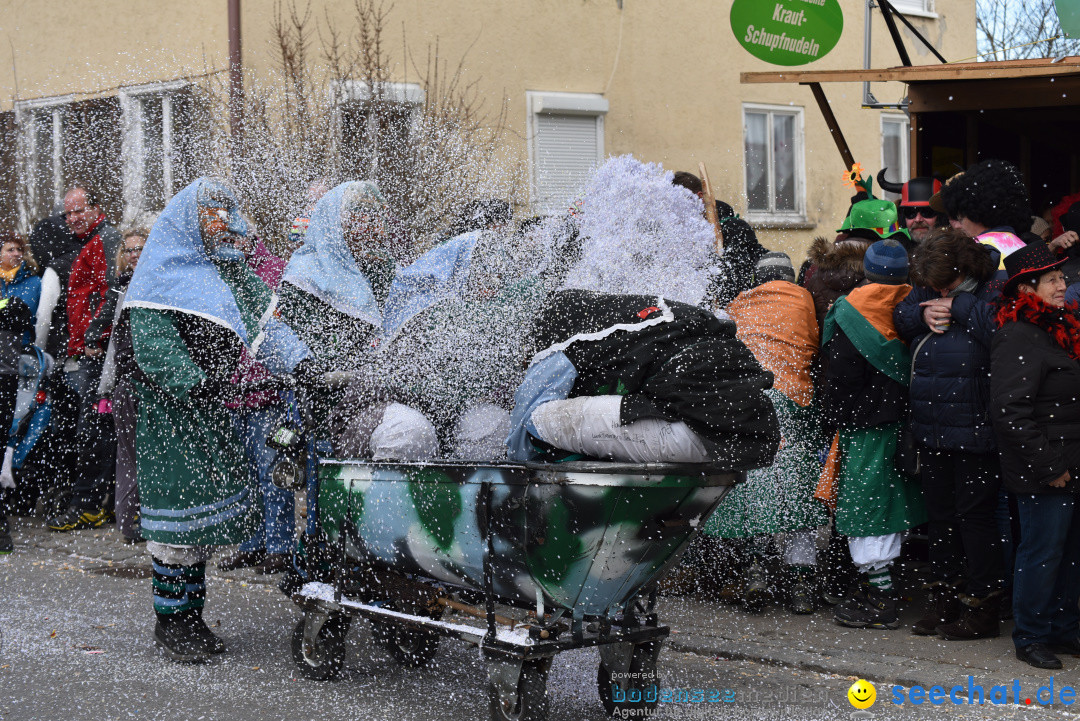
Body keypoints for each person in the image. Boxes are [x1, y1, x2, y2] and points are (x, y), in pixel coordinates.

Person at [123, 177, 309, 662]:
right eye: (214, 212)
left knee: (201, 526)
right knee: (175, 528)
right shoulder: (159, 272)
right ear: (191, 216)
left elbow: (267, 328)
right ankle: (172, 621)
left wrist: (303, 364)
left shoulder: (227, 271)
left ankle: (192, 617)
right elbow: (153, 343)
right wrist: (193, 382)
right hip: (171, 419)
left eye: (228, 212)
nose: (223, 223)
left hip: (212, 413)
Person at [894, 229, 1004, 639]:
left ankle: (983, 608)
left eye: (947, 285)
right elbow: (900, 317)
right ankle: (943, 599)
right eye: (933, 286)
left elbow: (1000, 330)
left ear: (966, 269)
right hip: (932, 424)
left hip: (976, 426)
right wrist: (921, 315)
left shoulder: (994, 284)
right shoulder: (928, 281)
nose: (937, 290)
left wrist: (959, 305)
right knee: (939, 519)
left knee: (975, 520)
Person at [703, 252, 825, 614]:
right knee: (799, 491)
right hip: (795, 403)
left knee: (756, 490)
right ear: (790, 277)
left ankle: (757, 573)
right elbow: (813, 346)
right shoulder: (805, 301)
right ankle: (801, 579)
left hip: (753, 404)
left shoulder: (742, 303)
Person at [819, 239, 926, 629]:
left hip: (864, 430)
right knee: (890, 510)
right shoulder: (915, 306)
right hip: (905, 427)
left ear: (867, 271)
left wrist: (831, 420)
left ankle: (882, 600)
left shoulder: (851, 311)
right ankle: (884, 588)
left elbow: (841, 378)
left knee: (866, 514)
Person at [990, 243, 1080, 670]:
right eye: (1053, 279)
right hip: (1044, 468)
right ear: (1027, 288)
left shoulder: (1060, 326)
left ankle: (1064, 628)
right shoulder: (1017, 334)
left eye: (1063, 277)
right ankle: (1031, 635)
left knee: (1071, 551)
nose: (1063, 284)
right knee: (1042, 551)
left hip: (1071, 461)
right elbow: (1010, 412)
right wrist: (1051, 467)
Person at [45, 184, 124, 531]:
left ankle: (88, 505)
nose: (73, 218)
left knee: (93, 429)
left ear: (96, 208)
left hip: (101, 352)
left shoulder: (107, 238)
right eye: (68, 213)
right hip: (88, 349)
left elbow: (114, 289)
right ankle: (94, 502)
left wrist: (95, 333)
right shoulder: (85, 242)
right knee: (93, 428)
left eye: (79, 210)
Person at [96, 229, 146, 542]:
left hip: (134, 379)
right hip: (133, 381)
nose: (134, 255)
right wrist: (108, 385)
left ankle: (131, 521)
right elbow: (118, 341)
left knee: (132, 454)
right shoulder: (127, 288)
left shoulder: (135, 286)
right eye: (129, 250)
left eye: (140, 249)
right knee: (132, 454)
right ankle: (132, 522)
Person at [0, 233, 42, 553]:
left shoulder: (31, 280)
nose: (15, 253)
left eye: (19, 249)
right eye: (9, 248)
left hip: (12, 369)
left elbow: (19, 312)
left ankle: (2, 531)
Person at [931, 160, 1031, 269]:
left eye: (959, 216)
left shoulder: (971, 254)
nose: (956, 225)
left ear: (976, 212)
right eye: (949, 216)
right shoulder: (1025, 248)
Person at [876, 170, 945, 245]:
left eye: (927, 212)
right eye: (910, 212)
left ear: (941, 216)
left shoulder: (955, 250)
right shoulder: (892, 252)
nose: (918, 219)